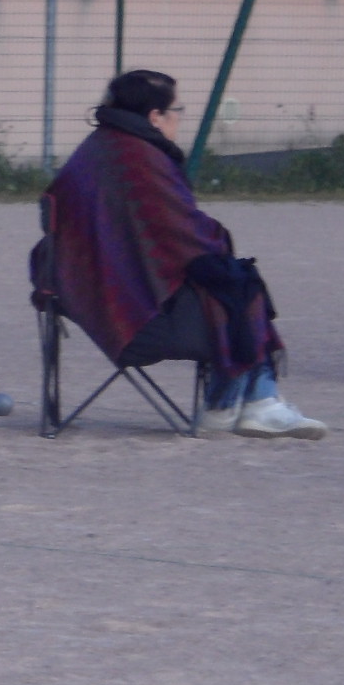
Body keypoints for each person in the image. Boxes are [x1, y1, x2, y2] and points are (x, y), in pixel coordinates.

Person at [41, 70, 325, 439]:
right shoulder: (137, 159)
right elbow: (183, 233)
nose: (180, 117)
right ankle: (232, 404)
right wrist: (220, 242)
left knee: (230, 280)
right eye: (178, 109)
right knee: (238, 286)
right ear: (155, 116)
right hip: (133, 316)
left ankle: (256, 402)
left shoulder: (101, 147)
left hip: (84, 296)